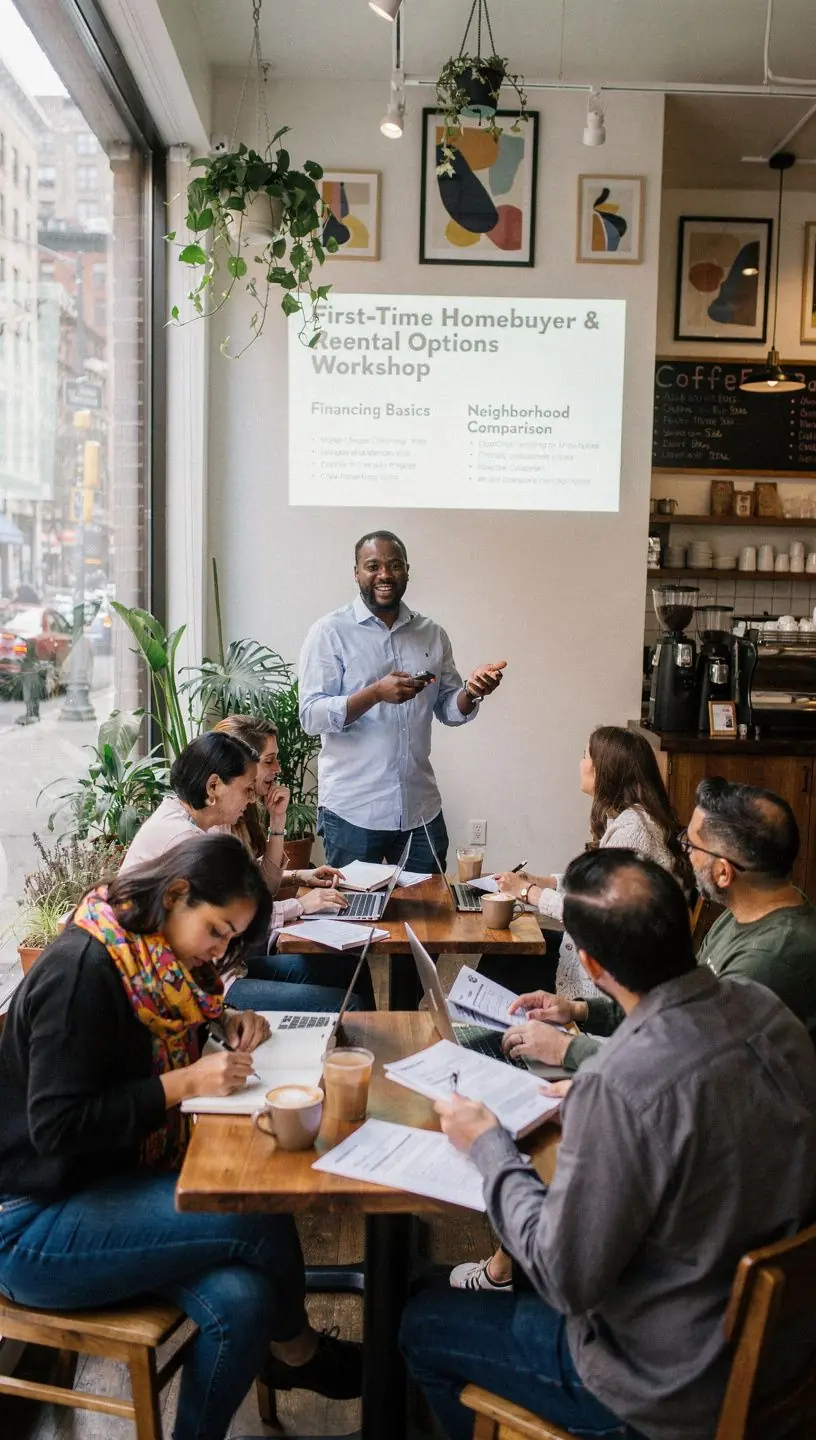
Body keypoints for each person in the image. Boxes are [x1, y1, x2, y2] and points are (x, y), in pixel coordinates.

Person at [400, 850, 816, 1440]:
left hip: (661, 1389)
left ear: (592, 965)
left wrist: (491, 1146)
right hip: (784, 1354)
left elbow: (561, 1275)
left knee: (421, 1320)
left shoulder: (621, 1084)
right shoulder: (769, 1013)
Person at [0, 834, 361, 1440]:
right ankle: (301, 1352)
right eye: (217, 932)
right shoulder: (82, 973)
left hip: (102, 1187)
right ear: (175, 894)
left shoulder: (149, 961)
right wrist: (182, 1084)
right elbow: (58, 1127)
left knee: (244, 1302)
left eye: (231, 940)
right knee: (253, 1213)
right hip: (29, 1221)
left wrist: (222, 1020)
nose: (220, 951)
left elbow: (150, 1038)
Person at [514, 777, 816, 1077]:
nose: (686, 853)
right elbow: (675, 1009)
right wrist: (579, 1010)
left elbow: (680, 1061)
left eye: (692, 845)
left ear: (724, 872)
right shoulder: (745, 911)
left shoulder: (769, 961)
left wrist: (567, 1048)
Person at [298, 530, 506, 870]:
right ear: (356, 573)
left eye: (394, 565)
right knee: (355, 915)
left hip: (419, 810)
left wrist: (472, 691)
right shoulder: (329, 632)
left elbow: (450, 708)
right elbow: (311, 716)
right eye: (373, 566)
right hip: (354, 810)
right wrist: (374, 694)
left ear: (407, 571)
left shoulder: (431, 633)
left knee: (429, 919)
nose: (384, 574)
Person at [122, 732, 360, 1012]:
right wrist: (299, 905)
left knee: (349, 966)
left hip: (224, 971)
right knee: (349, 1005)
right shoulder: (186, 841)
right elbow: (238, 919)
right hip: (202, 988)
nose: (251, 800)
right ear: (213, 786)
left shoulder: (189, 822)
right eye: (246, 790)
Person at [486, 725, 691, 1001]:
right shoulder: (627, 819)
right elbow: (598, 890)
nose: (581, 763)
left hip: (608, 976)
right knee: (501, 954)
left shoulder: (633, 832)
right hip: (601, 954)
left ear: (604, 770)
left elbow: (592, 914)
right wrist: (545, 882)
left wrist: (527, 893)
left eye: (585, 756)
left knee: (502, 958)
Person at [212, 714, 376, 1009]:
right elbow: (240, 912)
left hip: (237, 966)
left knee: (355, 969)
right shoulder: (217, 826)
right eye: (269, 760)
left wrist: (280, 827)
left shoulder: (240, 816)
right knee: (348, 1003)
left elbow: (261, 885)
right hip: (221, 982)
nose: (278, 769)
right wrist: (302, 905)